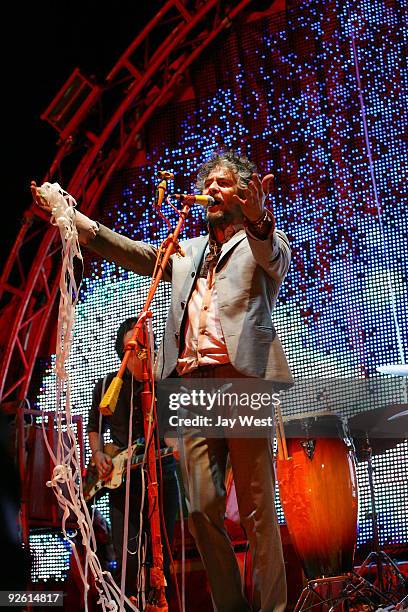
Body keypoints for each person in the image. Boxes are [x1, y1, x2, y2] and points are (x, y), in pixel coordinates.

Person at [32, 150, 293, 612]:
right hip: (191, 384)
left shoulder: (263, 242)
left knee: (256, 511)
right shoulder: (186, 250)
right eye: (208, 181)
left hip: (241, 379)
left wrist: (259, 218)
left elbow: (270, 253)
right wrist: (72, 219)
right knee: (198, 512)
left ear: (246, 193)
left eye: (225, 182)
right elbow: (134, 253)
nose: (213, 188)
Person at [87, 317, 178, 603]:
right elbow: (94, 429)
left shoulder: (166, 384)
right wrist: (99, 454)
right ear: (124, 352)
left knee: (161, 553)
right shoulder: (107, 386)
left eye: (149, 347)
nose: (144, 354)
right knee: (127, 552)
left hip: (162, 476)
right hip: (123, 485)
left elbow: (176, 433)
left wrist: (180, 446)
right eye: (137, 348)